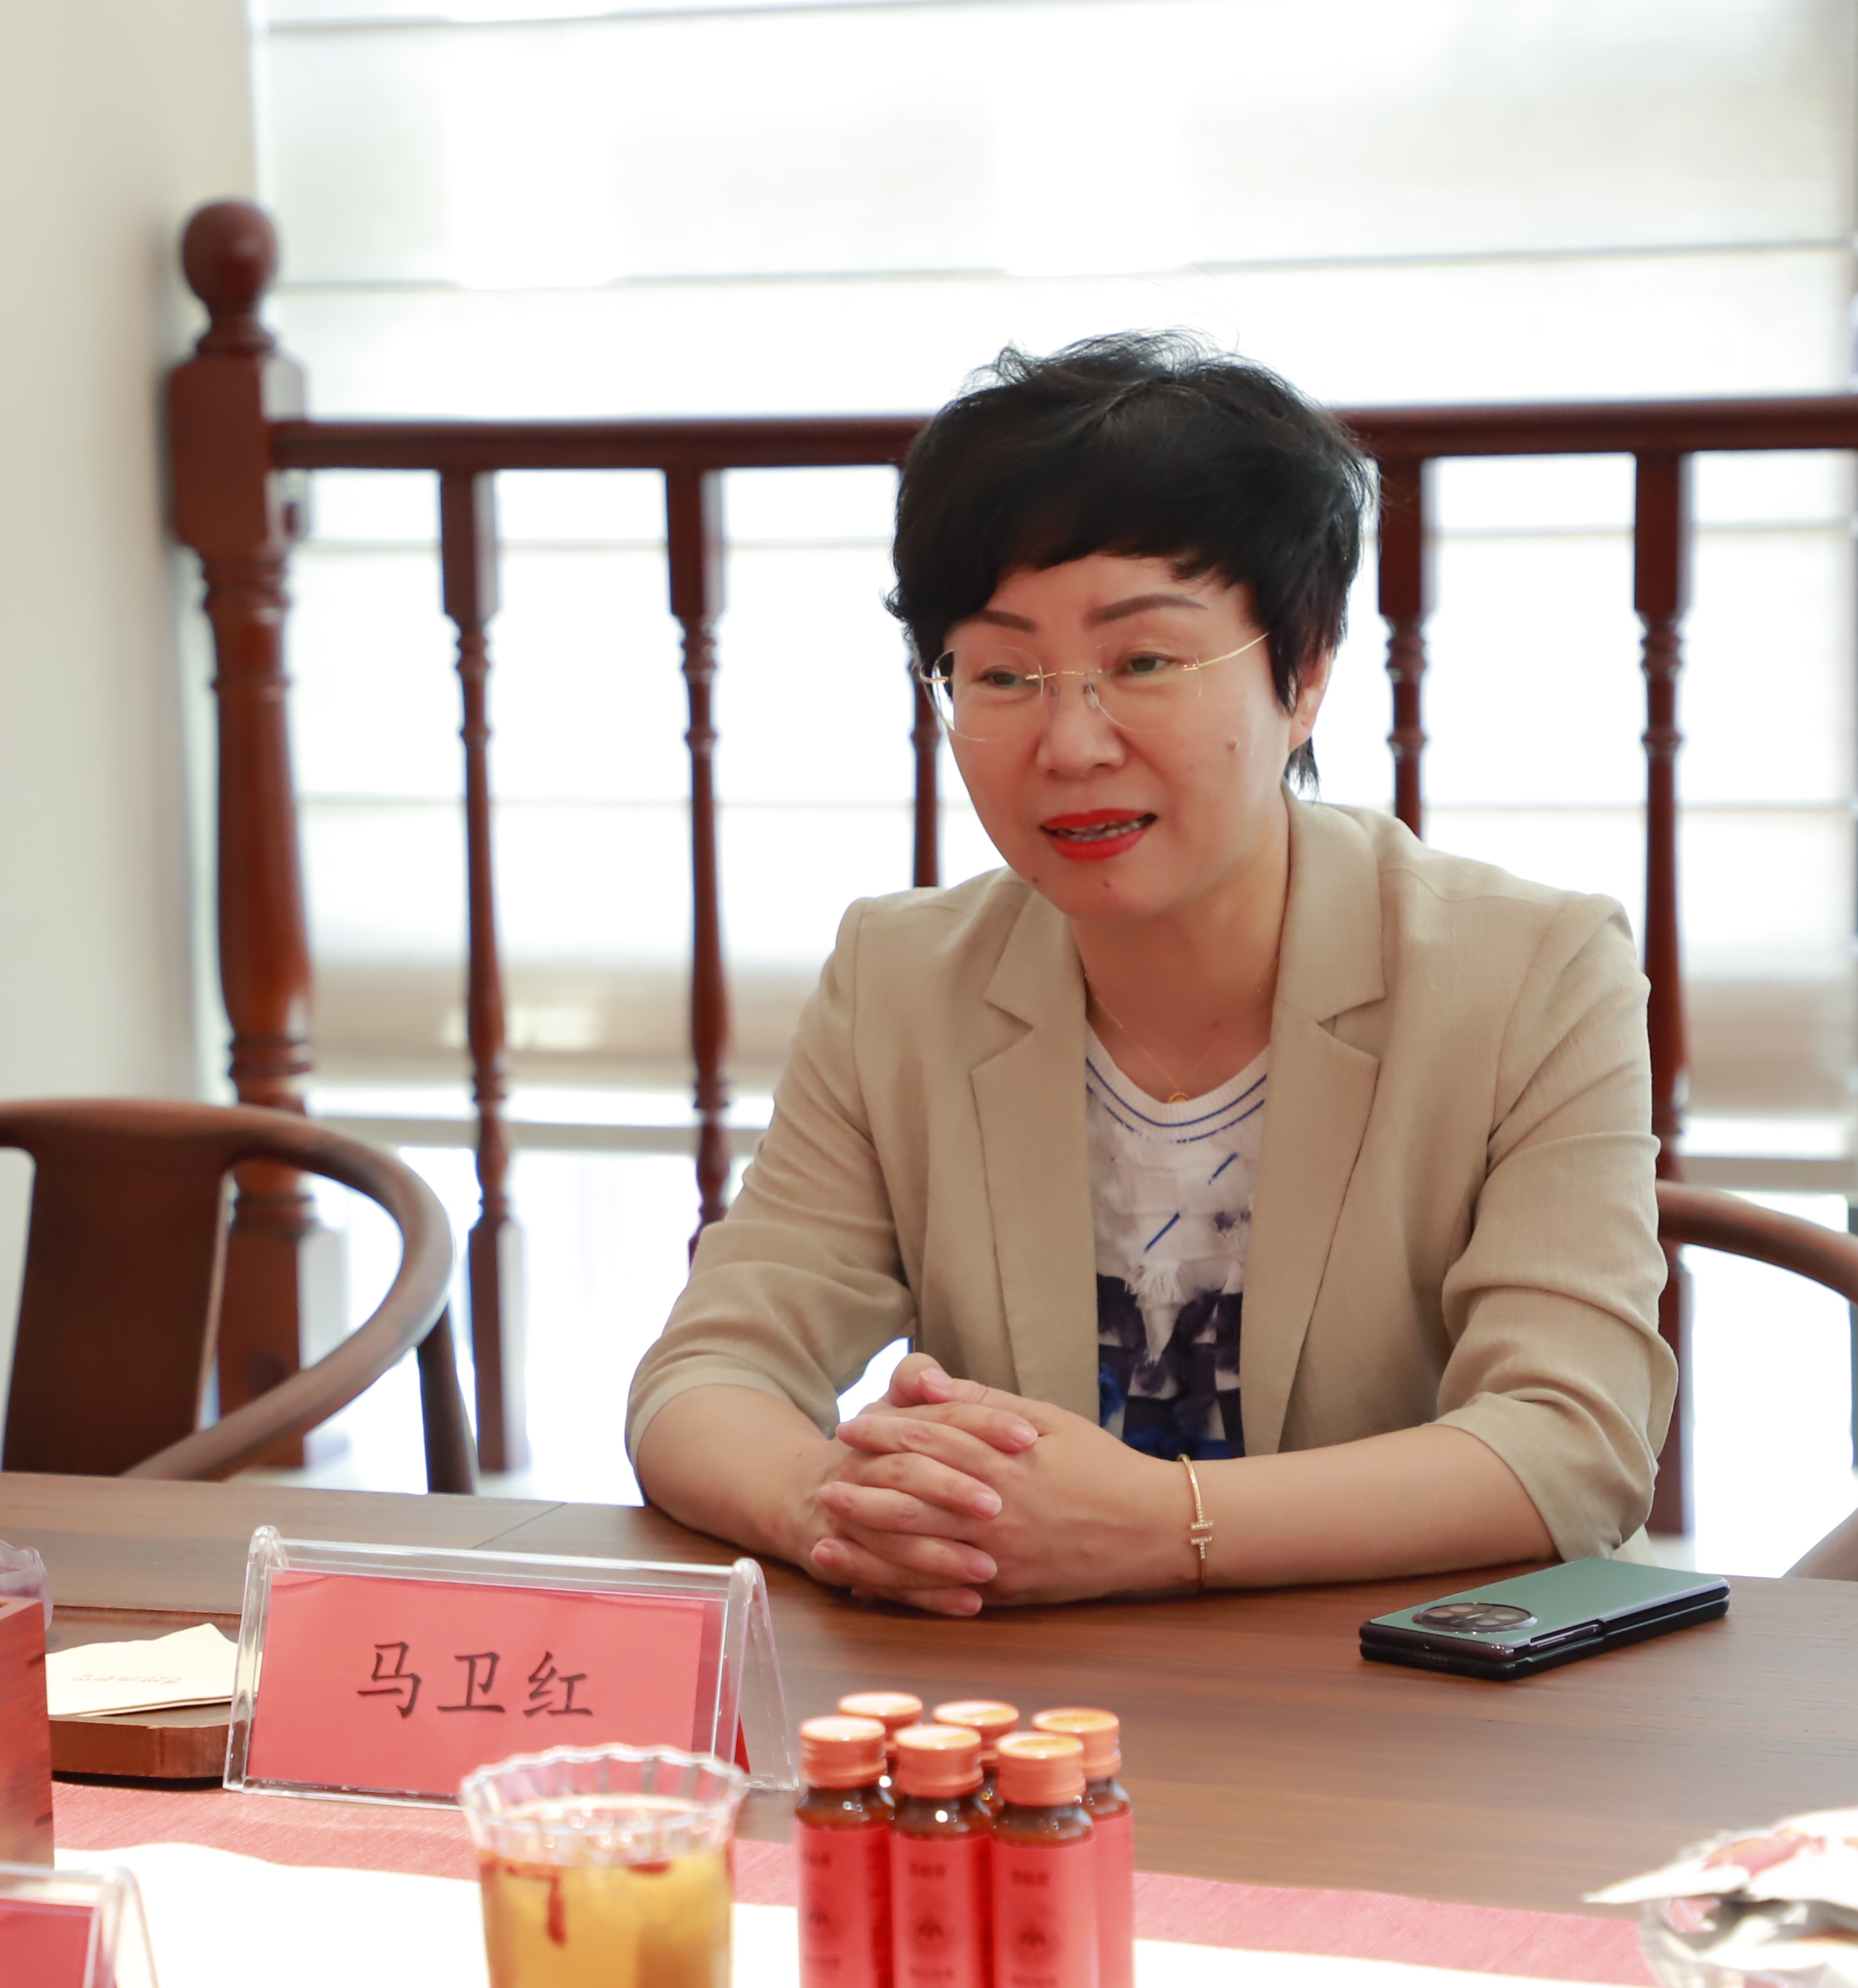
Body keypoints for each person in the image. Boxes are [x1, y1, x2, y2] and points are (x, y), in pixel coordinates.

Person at [628, 333, 1671, 1613]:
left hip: (1417, 1697)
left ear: (1305, 672)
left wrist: (1159, 1526)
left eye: (1144, 662)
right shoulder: (898, 979)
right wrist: (840, 1512)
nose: (1070, 743)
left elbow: (1572, 1445)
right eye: (1002, 673)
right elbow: (705, 1377)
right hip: (1035, 1698)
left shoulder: (1532, 973)